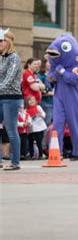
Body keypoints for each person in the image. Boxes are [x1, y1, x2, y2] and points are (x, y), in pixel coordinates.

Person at [0, 28, 23, 170]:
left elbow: (9, 79)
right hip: (0, 97)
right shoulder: (0, 57)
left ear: (7, 42)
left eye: (1, 41)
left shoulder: (14, 57)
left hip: (11, 98)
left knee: (11, 130)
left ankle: (15, 162)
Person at [37, 60, 54, 127]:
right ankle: (44, 137)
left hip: (56, 102)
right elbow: (40, 89)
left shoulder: (55, 75)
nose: (50, 64)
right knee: (46, 122)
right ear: (45, 63)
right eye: (48, 62)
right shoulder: (40, 75)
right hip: (46, 102)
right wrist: (51, 93)